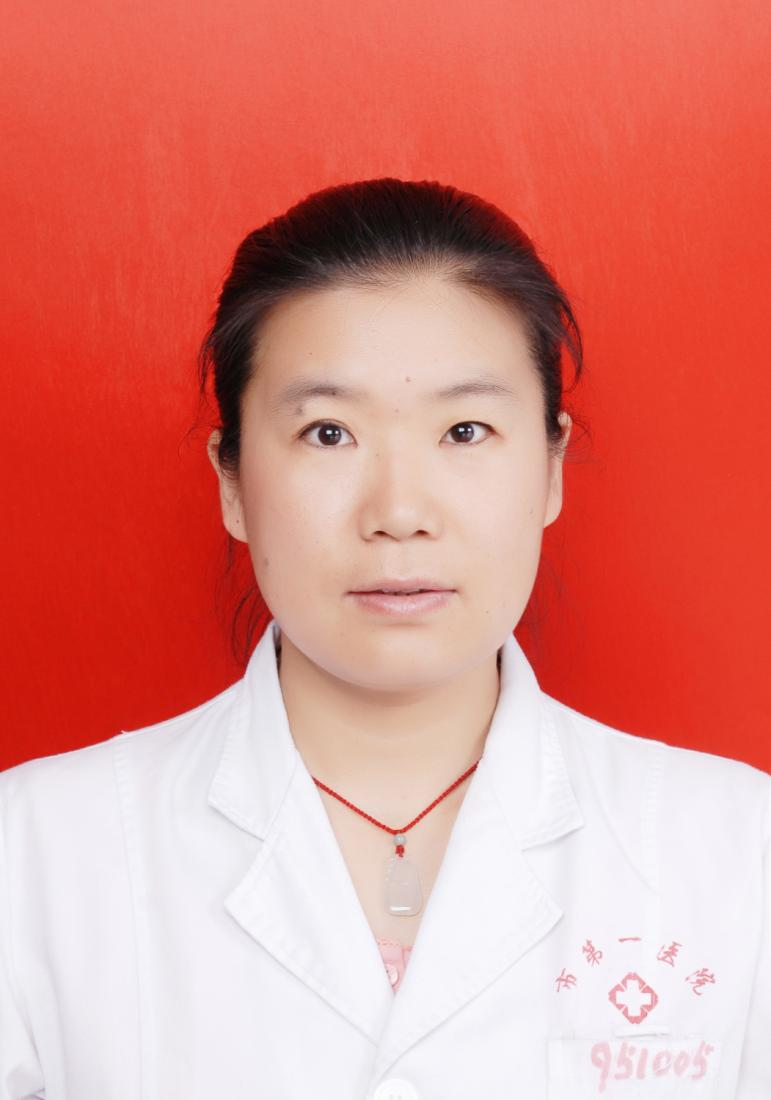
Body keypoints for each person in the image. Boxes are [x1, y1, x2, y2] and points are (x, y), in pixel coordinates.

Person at [0, 178, 768, 1100]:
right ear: (232, 481)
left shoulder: (736, 850)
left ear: (551, 467)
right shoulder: (35, 856)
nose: (399, 512)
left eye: (465, 430)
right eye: (328, 433)